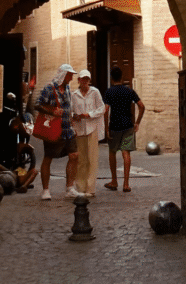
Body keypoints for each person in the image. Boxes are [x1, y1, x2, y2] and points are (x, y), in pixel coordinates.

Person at [36, 63, 82, 200]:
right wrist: (52, 111)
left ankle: (70, 188)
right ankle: (45, 190)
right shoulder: (49, 88)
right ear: (63, 75)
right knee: (48, 157)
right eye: (69, 75)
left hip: (68, 129)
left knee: (74, 155)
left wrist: (73, 123)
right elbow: (37, 104)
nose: (71, 78)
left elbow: (69, 107)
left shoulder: (67, 88)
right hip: (53, 129)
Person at [103, 66, 145, 192]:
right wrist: (137, 123)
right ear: (121, 77)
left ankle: (114, 181)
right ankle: (126, 184)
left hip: (114, 126)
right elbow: (142, 106)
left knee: (112, 152)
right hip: (128, 126)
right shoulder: (129, 91)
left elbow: (105, 111)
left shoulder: (109, 92)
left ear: (111, 78)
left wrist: (106, 128)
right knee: (126, 153)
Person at [71, 70, 105, 198]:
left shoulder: (95, 92)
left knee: (92, 159)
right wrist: (75, 116)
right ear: (79, 80)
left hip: (92, 128)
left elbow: (101, 108)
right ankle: (80, 187)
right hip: (79, 130)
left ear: (89, 80)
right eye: (82, 79)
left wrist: (89, 115)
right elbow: (70, 110)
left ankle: (90, 189)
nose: (85, 81)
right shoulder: (74, 95)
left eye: (87, 79)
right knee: (81, 160)